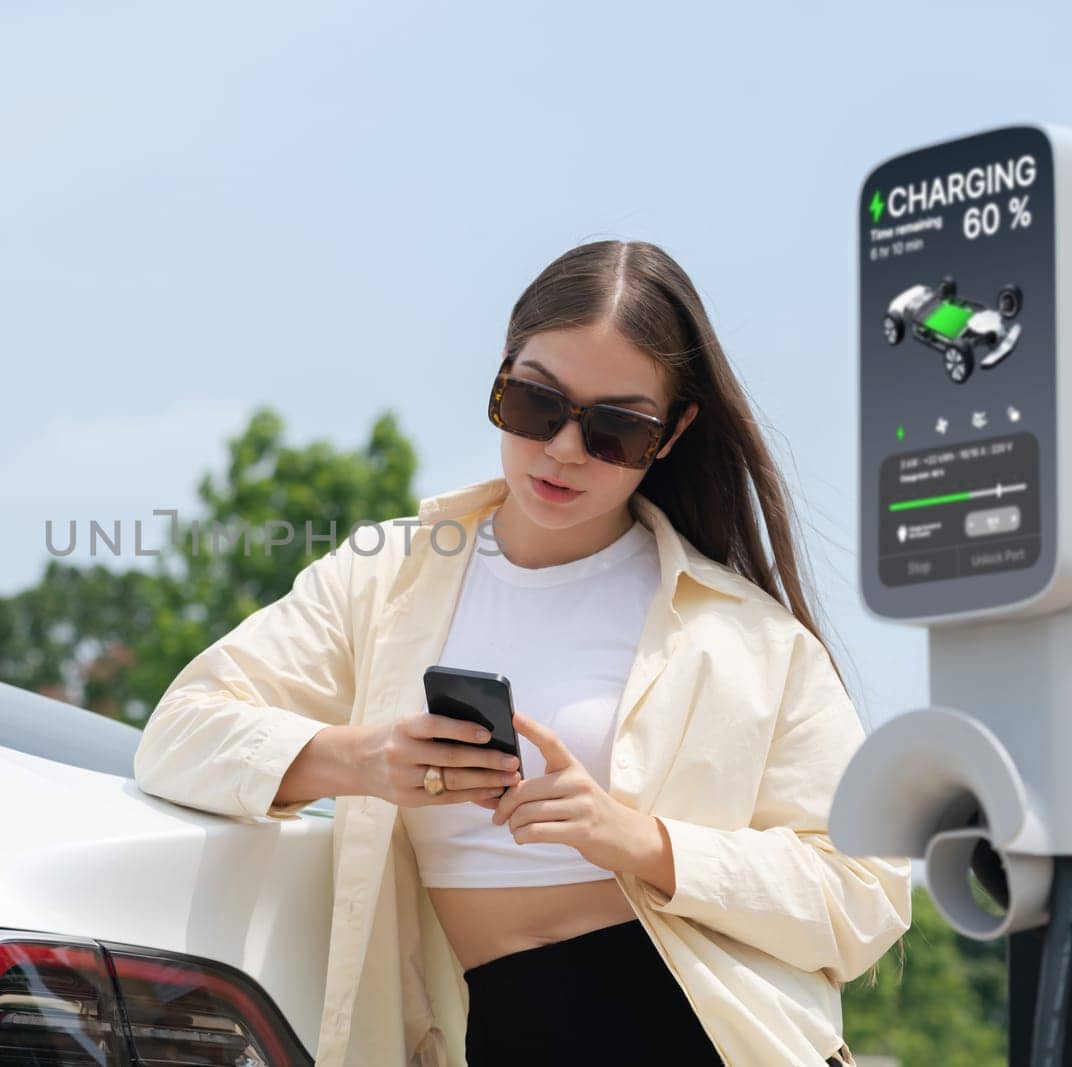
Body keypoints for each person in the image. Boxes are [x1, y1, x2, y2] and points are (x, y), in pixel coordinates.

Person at [133, 239, 912, 1066]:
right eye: (538, 404)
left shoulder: (750, 636)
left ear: (674, 432)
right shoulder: (385, 576)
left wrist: (638, 839)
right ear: (500, 379)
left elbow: (866, 893)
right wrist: (361, 759)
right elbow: (178, 734)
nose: (566, 448)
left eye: (616, 428)